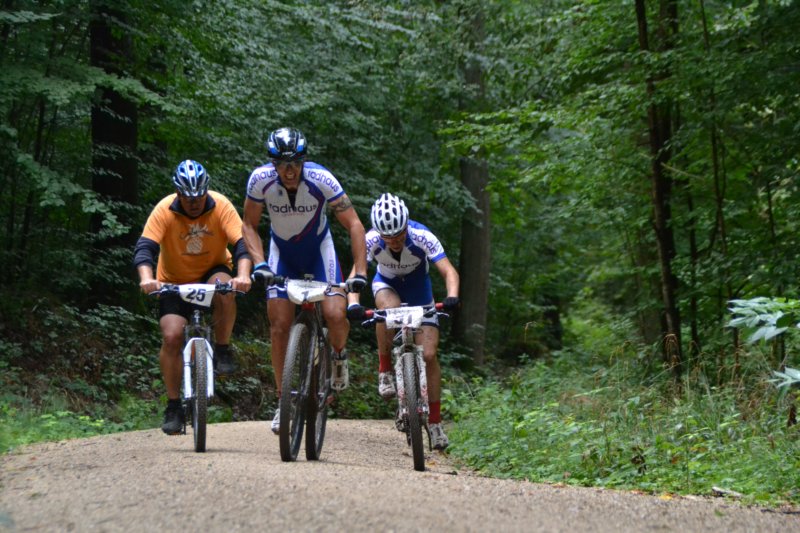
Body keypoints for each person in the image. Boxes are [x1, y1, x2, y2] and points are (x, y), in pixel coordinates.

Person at [242, 127, 368, 435]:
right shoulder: (260, 180)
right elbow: (249, 225)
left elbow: (354, 225)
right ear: (272, 163)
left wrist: (361, 272)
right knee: (278, 325)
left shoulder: (322, 179)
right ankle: (283, 400)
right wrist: (259, 263)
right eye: (282, 164)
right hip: (282, 254)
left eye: (296, 163)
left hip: (318, 252)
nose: (289, 170)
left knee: (336, 314)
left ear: (304, 161)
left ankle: (338, 355)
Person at [134, 160, 252, 435]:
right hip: (173, 281)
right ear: (178, 194)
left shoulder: (221, 206)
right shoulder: (164, 210)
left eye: (199, 196)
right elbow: (145, 248)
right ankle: (174, 405)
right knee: (172, 336)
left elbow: (242, 244)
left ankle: (222, 348)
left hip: (212, 271)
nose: (195, 203)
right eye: (188, 198)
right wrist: (147, 279)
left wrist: (243, 275)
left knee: (226, 289)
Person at [347, 193, 460, 450]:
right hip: (387, 285)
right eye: (389, 238)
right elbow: (356, 274)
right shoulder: (370, 240)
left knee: (429, 355)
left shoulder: (422, 235)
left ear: (406, 225)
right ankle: (385, 369)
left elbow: (448, 271)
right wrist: (353, 302)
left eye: (399, 235)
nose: (395, 242)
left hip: (420, 290)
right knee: (388, 311)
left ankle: (435, 423)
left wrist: (452, 296)